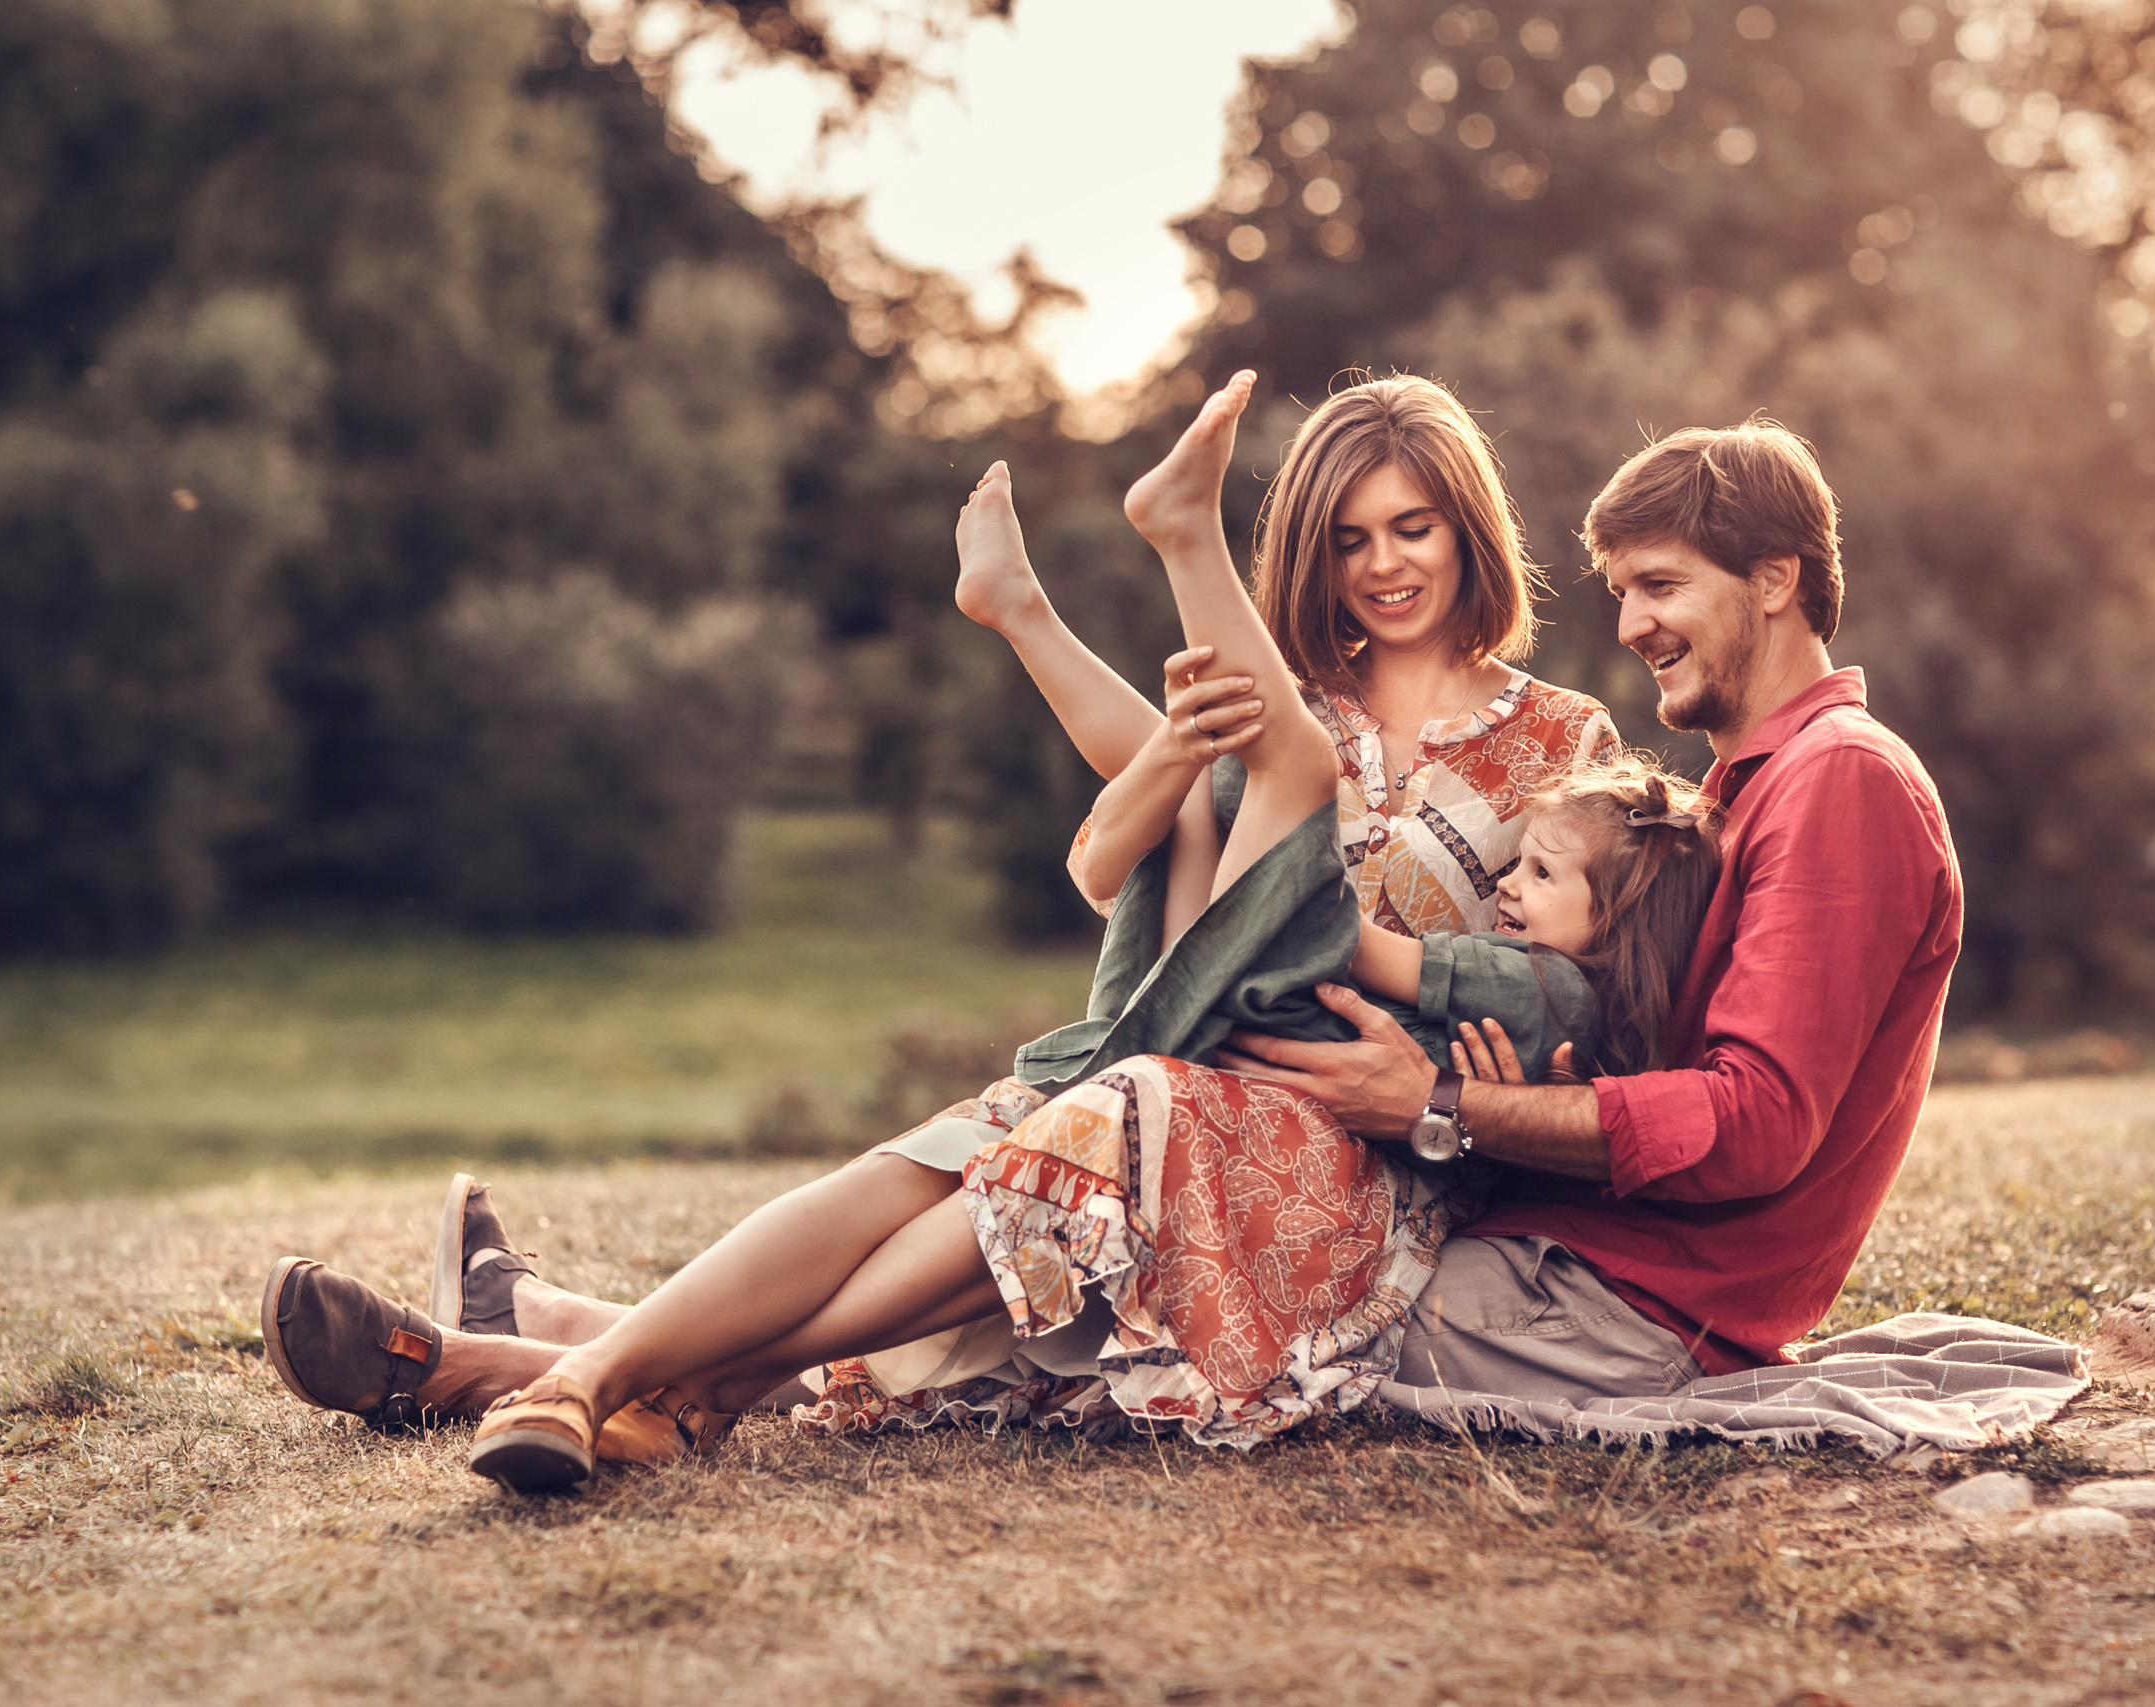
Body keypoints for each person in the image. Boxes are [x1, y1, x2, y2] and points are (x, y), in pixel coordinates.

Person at [254, 375, 1707, 1487]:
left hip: (1340, 1143)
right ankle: (586, 1378)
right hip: (1187, 1044)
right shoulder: (1291, 703)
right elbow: (1137, 819)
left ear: (1469, 526)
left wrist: (1478, 1075)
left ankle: (525, 1359)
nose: (1386, 565)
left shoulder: (1560, 740)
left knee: (1052, 1129)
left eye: (1415, 527)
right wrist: (1073, 676)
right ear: (1311, 562)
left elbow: (1584, 962)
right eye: (1349, 539)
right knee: (955, 1145)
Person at [1217, 420, 1967, 1415]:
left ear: (1775, 580)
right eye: (1621, 594)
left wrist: (1437, 1107)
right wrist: (1560, 1073)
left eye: (1659, 586)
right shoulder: (1738, 797)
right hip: (1572, 1256)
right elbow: (1672, 1064)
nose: (1628, 626)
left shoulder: (1842, 779)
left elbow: (1754, 1124)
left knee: (1230, 1300)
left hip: (1628, 1306)